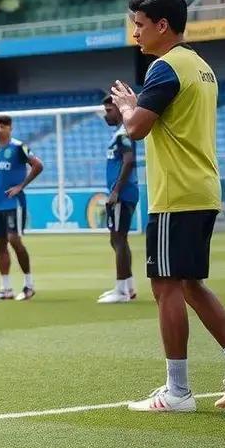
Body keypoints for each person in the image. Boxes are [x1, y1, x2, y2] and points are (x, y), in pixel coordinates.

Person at [110, 0, 225, 412]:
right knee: (190, 285)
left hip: (174, 194)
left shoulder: (165, 68)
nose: (135, 33)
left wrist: (128, 105)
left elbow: (137, 128)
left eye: (139, 25)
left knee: (166, 288)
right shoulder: (201, 67)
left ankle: (177, 392)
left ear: (163, 25)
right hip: (200, 188)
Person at [0, 115, 44, 301]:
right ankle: (5, 288)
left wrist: (21, 186)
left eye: (2, 126)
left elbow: (38, 165)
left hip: (13, 203)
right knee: (1, 244)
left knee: (14, 240)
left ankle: (28, 285)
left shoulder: (19, 147)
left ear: (10, 128)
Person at [97, 97, 139, 304]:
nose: (106, 114)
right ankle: (127, 287)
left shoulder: (123, 134)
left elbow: (129, 160)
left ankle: (121, 290)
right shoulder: (120, 134)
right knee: (118, 239)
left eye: (109, 110)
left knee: (118, 239)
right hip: (123, 192)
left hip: (122, 193)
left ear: (120, 110)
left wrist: (115, 191)